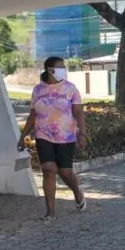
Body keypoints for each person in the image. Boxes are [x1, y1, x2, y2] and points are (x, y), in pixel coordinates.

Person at [18, 56, 87, 222]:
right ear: (49, 69)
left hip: (66, 136)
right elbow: (33, 114)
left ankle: (77, 192)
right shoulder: (38, 90)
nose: (63, 69)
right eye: (60, 67)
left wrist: (82, 133)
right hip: (43, 135)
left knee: (65, 172)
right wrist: (23, 135)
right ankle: (50, 213)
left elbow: (78, 112)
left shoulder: (70, 89)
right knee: (48, 170)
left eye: (64, 67)